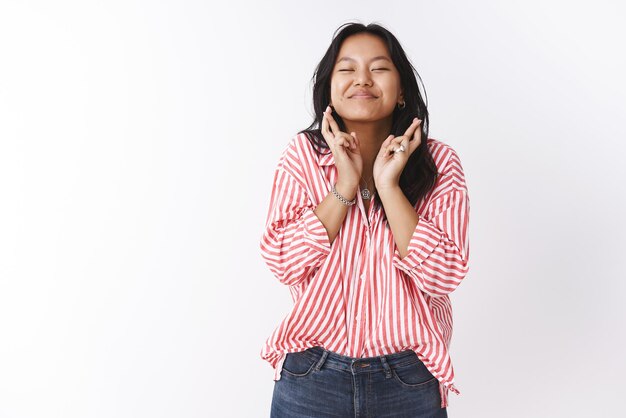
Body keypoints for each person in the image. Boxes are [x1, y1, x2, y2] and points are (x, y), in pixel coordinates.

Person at [259, 22, 470, 417]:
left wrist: (388, 188)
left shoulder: (440, 163)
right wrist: (346, 183)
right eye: (347, 68)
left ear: (402, 89)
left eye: (379, 68)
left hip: (409, 379)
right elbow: (283, 261)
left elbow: (445, 275)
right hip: (310, 377)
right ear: (330, 88)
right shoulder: (302, 157)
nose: (363, 79)